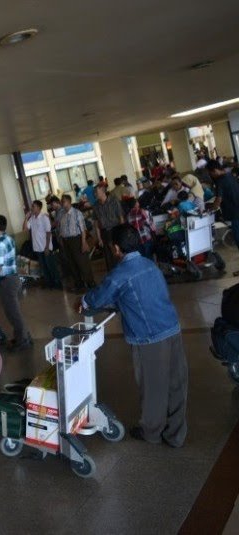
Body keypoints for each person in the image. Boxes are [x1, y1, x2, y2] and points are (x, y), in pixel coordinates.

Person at [78, 224, 187, 447]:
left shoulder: (119, 274)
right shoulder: (150, 265)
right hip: (172, 327)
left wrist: (82, 302)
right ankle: (176, 434)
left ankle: (151, 432)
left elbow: (96, 299)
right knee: (176, 383)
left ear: (116, 248)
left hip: (149, 337)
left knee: (153, 387)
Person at [0, 215, 31, 350]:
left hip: (7, 282)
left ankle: (22, 341)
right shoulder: (9, 238)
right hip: (14, 278)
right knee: (15, 312)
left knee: (13, 313)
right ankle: (23, 337)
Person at [57, 194, 95, 291]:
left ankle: (90, 283)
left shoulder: (77, 213)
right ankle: (79, 284)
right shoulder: (62, 215)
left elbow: (83, 229)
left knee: (82, 262)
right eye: (62, 202)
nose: (62, 204)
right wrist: (62, 240)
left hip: (77, 240)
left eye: (64, 201)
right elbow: (61, 229)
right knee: (72, 264)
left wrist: (83, 242)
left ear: (69, 202)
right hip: (66, 241)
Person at [23, 200, 62, 290]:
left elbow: (48, 233)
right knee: (44, 267)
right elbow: (25, 229)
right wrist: (26, 218)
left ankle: (57, 283)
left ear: (39, 207)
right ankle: (49, 283)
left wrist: (47, 247)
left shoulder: (44, 217)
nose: (32, 208)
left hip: (45, 247)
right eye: (32, 206)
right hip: (37, 247)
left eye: (33, 206)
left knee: (51, 266)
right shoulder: (32, 218)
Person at [208, 159, 239, 253]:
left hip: (234, 214)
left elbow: (218, 199)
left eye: (211, 173)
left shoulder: (220, 181)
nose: (211, 176)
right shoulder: (229, 175)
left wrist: (211, 209)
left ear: (215, 170)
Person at [92, 183, 125, 271]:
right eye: (94, 192)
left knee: (118, 254)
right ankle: (113, 275)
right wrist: (99, 238)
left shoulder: (114, 201)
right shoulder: (95, 206)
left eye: (96, 192)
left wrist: (122, 233)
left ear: (103, 192)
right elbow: (96, 223)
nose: (94, 194)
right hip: (104, 233)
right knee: (108, 258)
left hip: (115, 231)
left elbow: (121, 217)